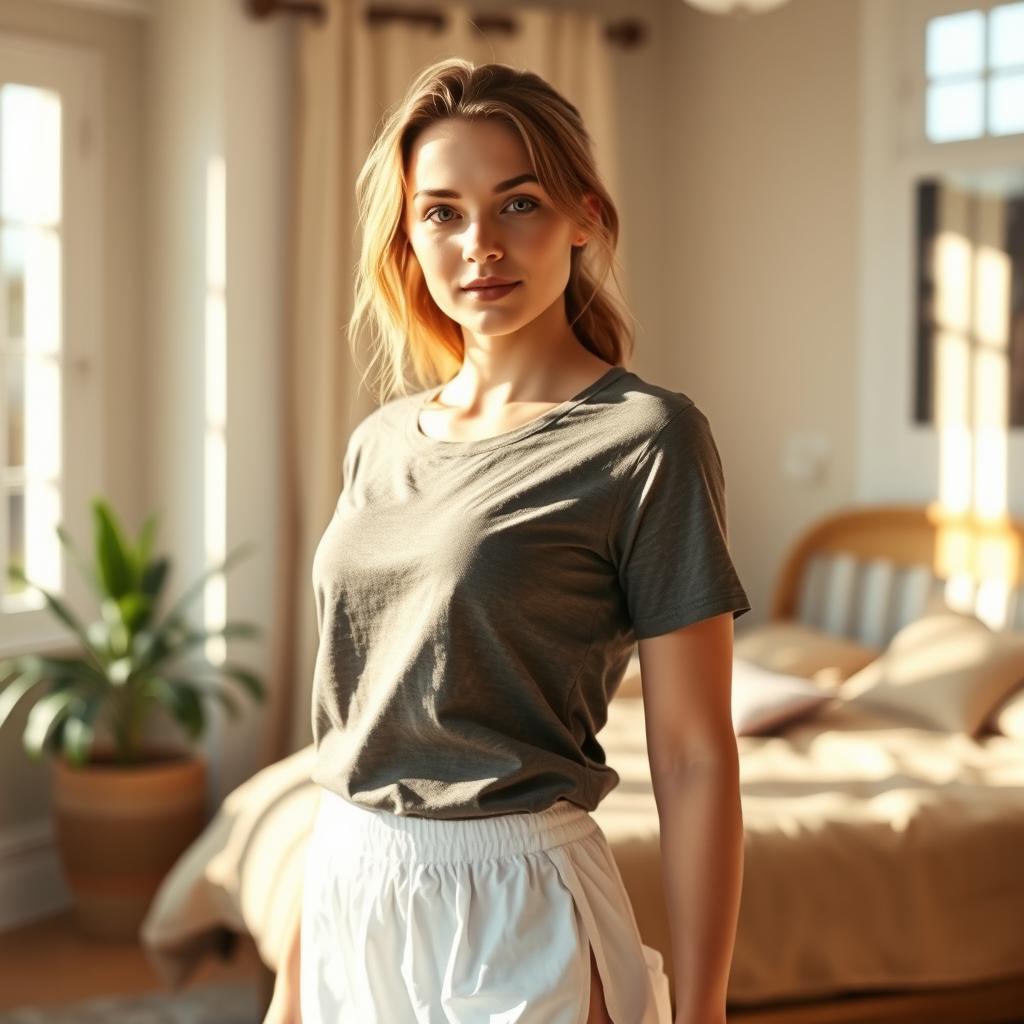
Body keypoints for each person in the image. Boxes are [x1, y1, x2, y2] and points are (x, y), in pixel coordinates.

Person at [265, 57, 751, 1024]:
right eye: (441, 212)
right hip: (348, 881)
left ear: (584, 216)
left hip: (515, 906)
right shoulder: (379, 441)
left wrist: (702, 1014)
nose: (479, 243)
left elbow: (696, 756)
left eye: (516, 202)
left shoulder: (644, 437)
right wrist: (295, 974)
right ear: (409, 238)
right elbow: (358, 727)